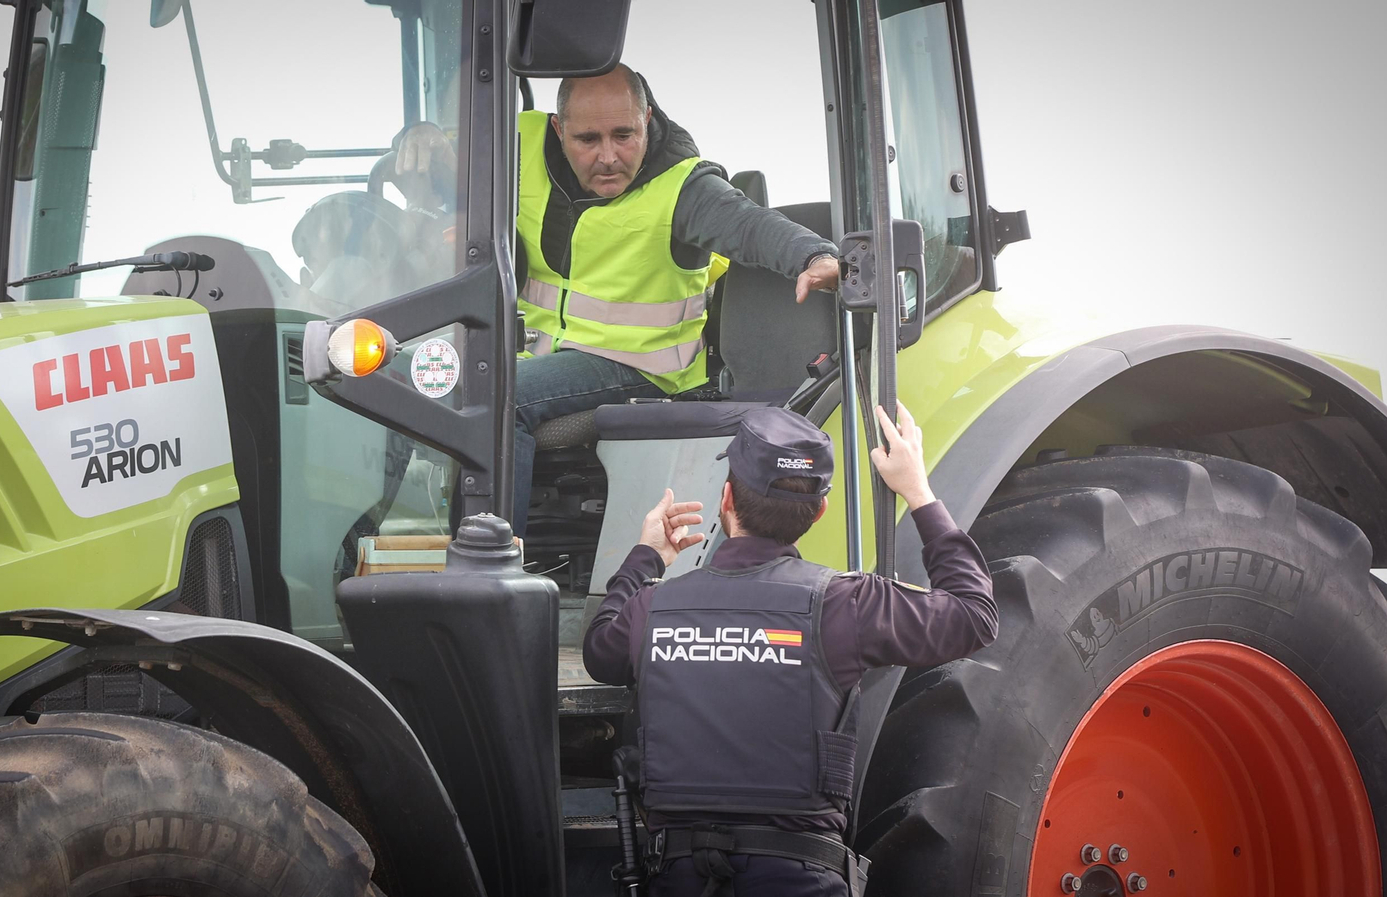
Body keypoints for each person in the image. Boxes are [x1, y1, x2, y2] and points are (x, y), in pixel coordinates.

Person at [395, 64, 842, 535]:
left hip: (639, 367)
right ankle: (369, 546)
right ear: (557, 129)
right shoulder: (518, 145)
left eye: (624, 135)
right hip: (538, 353)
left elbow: (749, 224)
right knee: (402, 376)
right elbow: (446, 160)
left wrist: (813, 254)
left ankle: (490, 570)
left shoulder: (683, 187)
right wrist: (420, 136)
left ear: (647, 120)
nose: (608, 156)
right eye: (588, 140)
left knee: (498, 396)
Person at [583, 402, 998, 896]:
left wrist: (647, 556)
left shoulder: (652, 607)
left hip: (678, 878)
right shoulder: (849, 603)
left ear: (726, 498)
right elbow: (975, 615)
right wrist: (917, 492)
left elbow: (599, 652)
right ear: (819, 512)